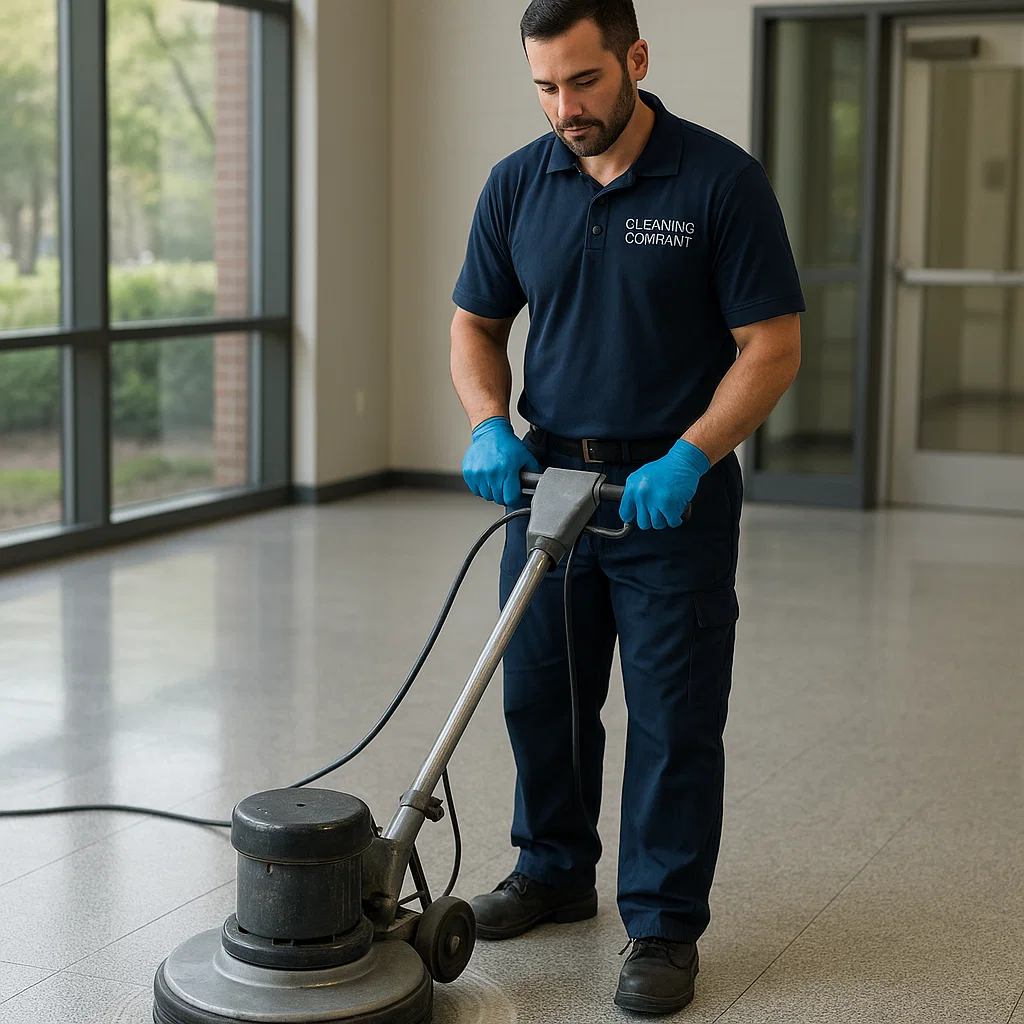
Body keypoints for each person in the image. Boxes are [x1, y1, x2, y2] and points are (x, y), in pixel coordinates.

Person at [450, 0, 803, 1013]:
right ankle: (554, 870)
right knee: (539, 694)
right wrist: (487, 423)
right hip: (547, 481)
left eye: (584, 81)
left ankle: (659, 925)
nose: (565, 106)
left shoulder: (718, 181)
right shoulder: (518, 183)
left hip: (667, 495)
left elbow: (770, 347)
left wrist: (692, 455)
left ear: (635, 58)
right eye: (545, 87)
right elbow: (474, 324)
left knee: (672, 714)